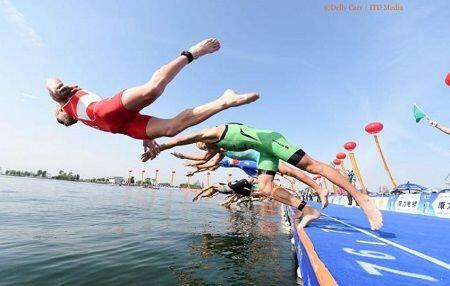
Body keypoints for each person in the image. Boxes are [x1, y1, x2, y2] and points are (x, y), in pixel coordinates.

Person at [142, 123, 383, 230]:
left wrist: (161, 147)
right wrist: (184, 159)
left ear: (202, 141)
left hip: (270, 140)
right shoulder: (216, 149)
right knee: (266, 189)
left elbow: (181, 136)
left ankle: (361, 198)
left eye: (203, 147)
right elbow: (206, 161)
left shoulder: (209, 132)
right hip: (262, 154)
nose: (206, 150)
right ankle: (308, 210)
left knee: (311, 166)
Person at [46, 38, 259, 153]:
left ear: (59, 111)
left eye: (60, 121)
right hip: (126, 127)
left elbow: (49, 81)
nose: (64, 124)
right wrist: (147, 137)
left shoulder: (64, 101)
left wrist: (56, 88)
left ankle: (192, 53)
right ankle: (224, 101)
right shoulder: (78, 119)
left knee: (152, 91)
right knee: (171, 129)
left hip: (106, 110)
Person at [178, 149, 329, 208]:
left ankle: (318, 189)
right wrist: (194, 170)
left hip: (254, 164)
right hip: (250, 171)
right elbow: (206, 163)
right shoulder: (220, 159)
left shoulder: (225, 150)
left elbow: (206, 162)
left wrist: (193, 167)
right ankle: (302, 205)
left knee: (289, 172)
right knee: (269, 190)